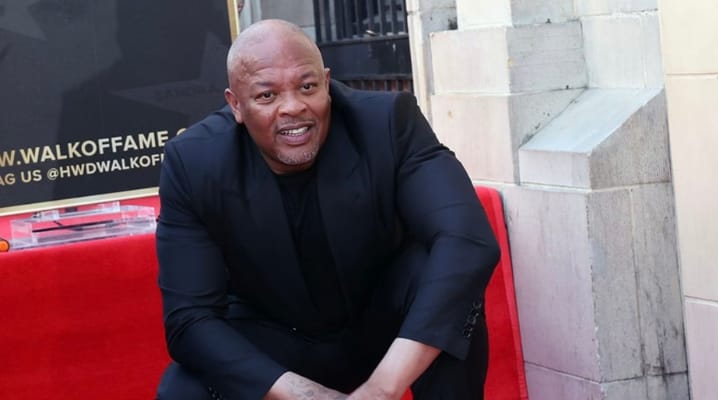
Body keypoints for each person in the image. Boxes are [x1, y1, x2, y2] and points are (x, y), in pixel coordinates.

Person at [155, 19, 500, 400]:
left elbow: (468, 240)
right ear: (235, 104)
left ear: (327, 82)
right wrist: (308, 395)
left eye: (307, 87)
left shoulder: (388, 122)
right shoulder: (195, 161)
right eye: (267, 95)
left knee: (442, 284)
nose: (293, 107)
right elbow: (190, 318)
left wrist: (381, 389)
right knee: (183, 388)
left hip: (386, 334)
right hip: (276, 342)